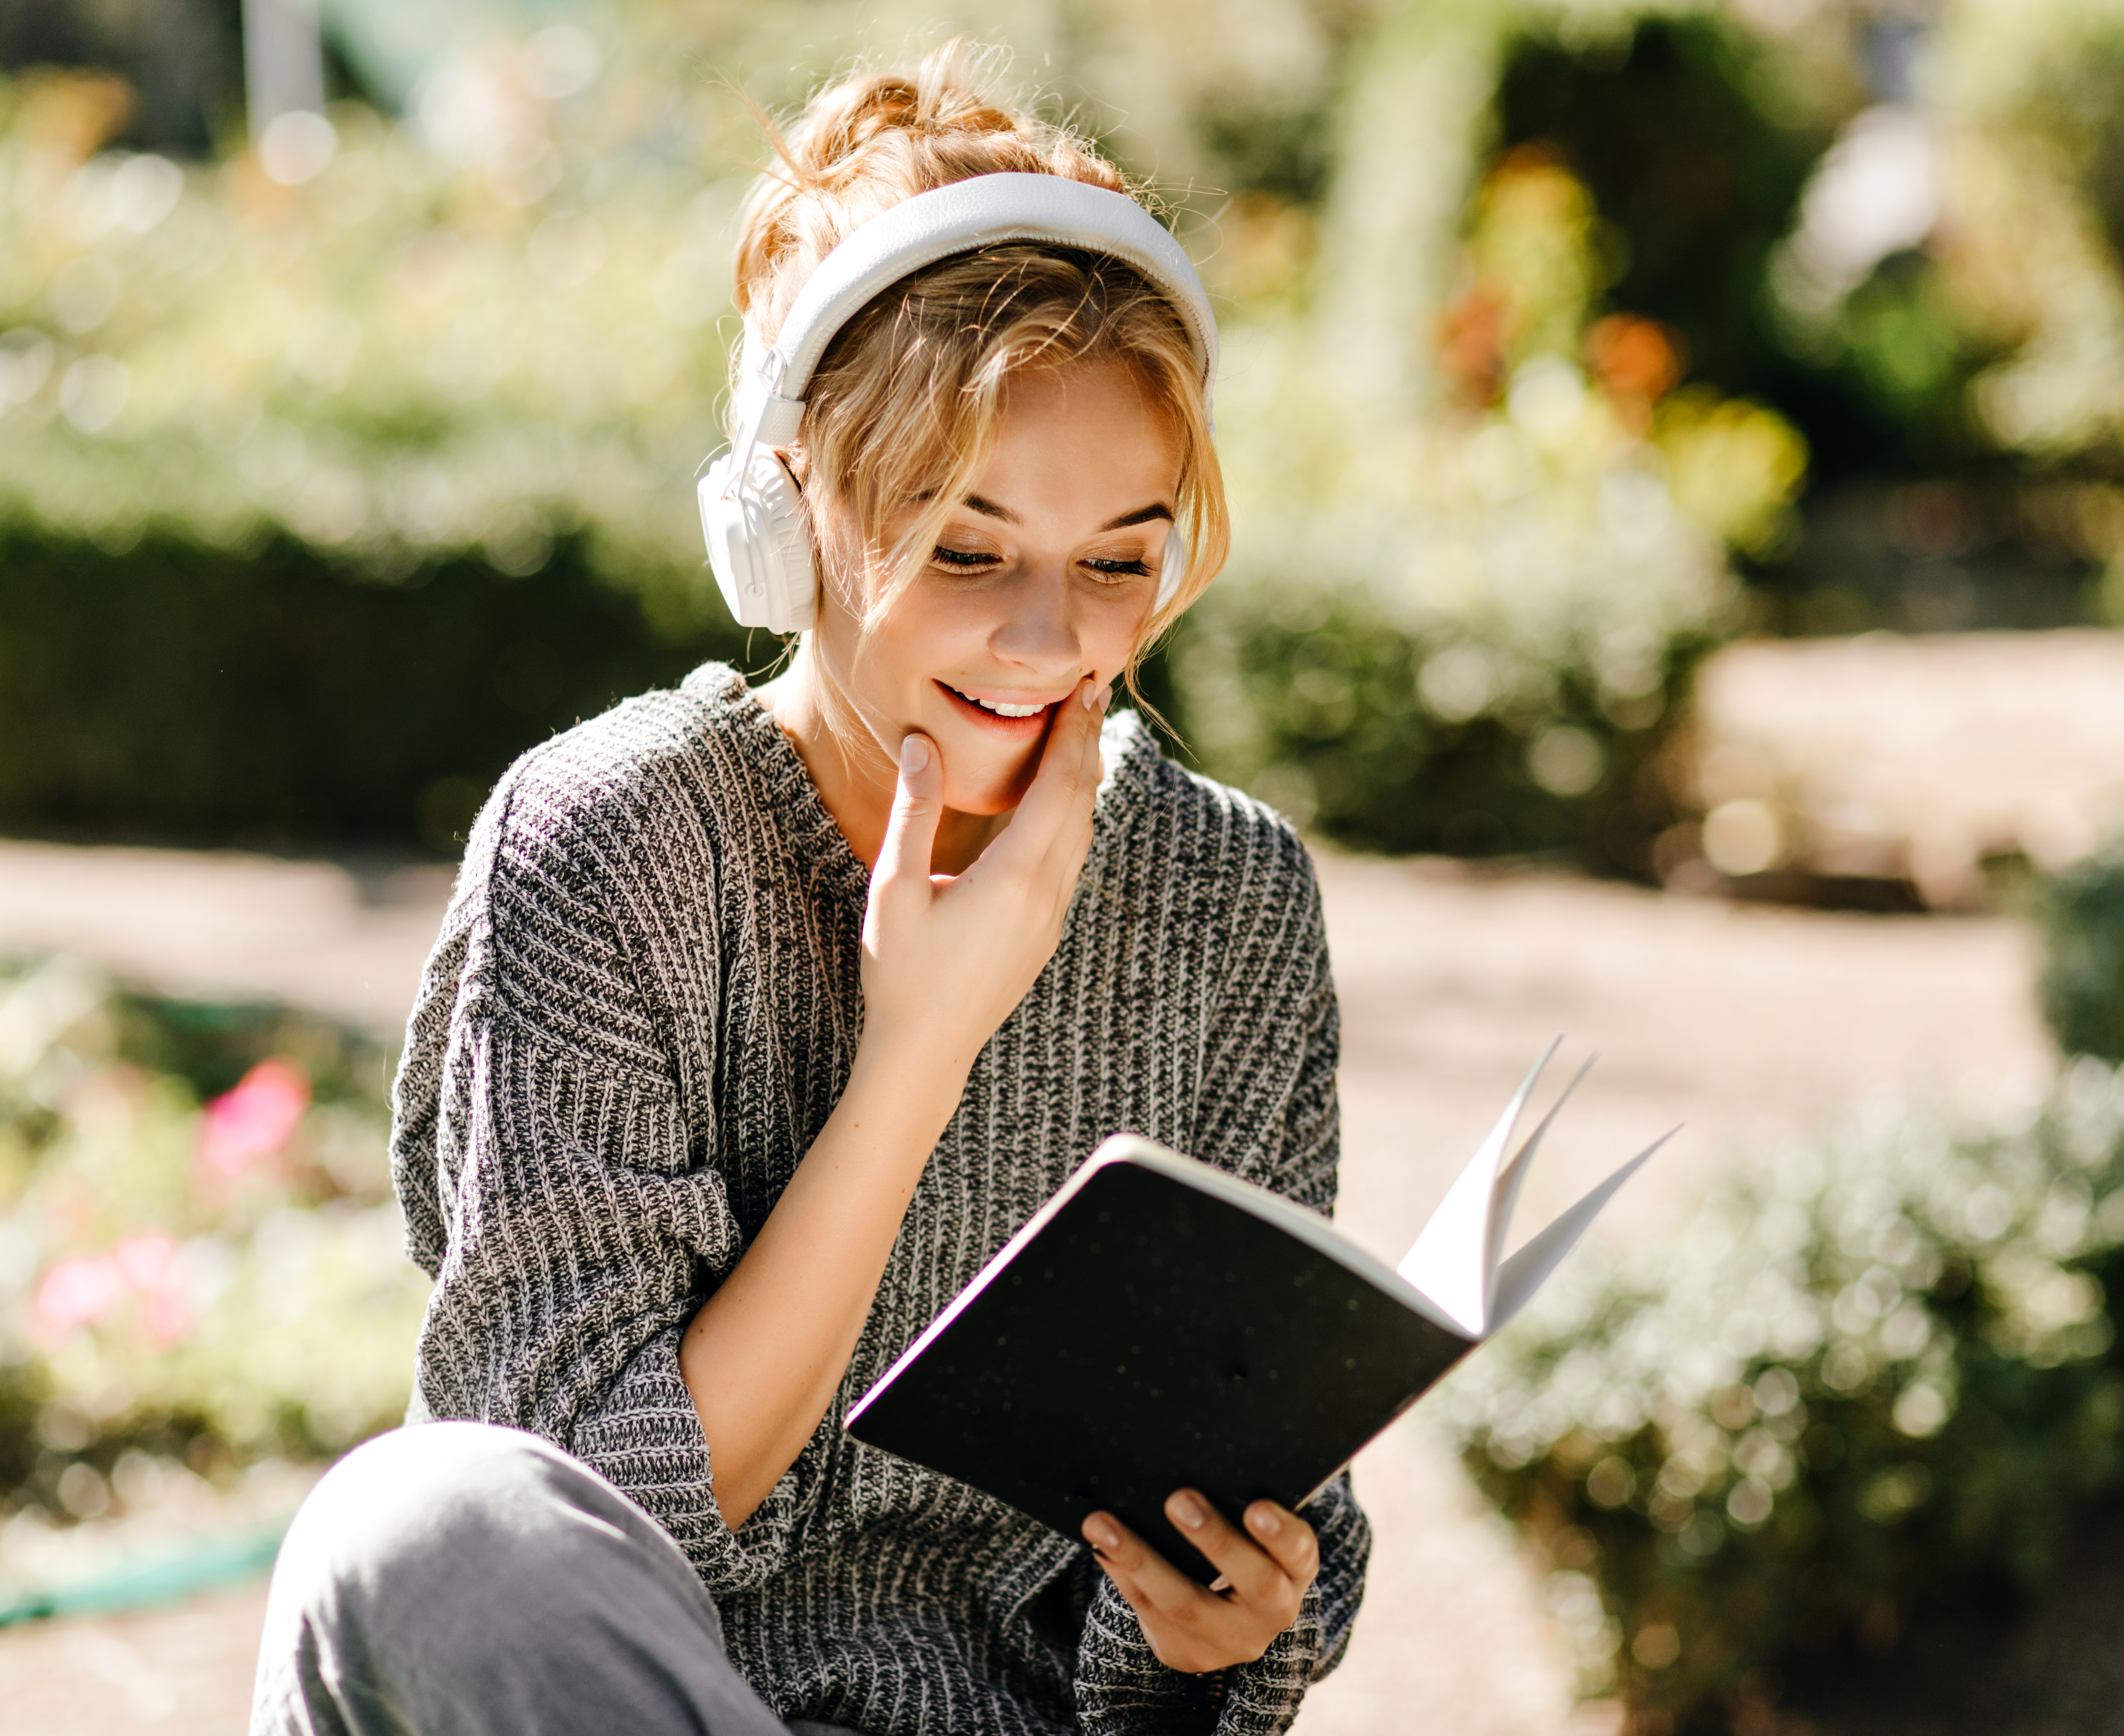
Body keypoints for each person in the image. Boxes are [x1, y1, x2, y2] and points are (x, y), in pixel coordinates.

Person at [253, 45, 1367, 1736]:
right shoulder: (614, 843)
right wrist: (920, 1048)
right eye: (968, 546)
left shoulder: (1228, 900)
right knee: (416, 1529)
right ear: (785, 520)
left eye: (1121, 559)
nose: (1053, 641)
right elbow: (574, 1521)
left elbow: (1269, 1538)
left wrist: (1227, 1622)